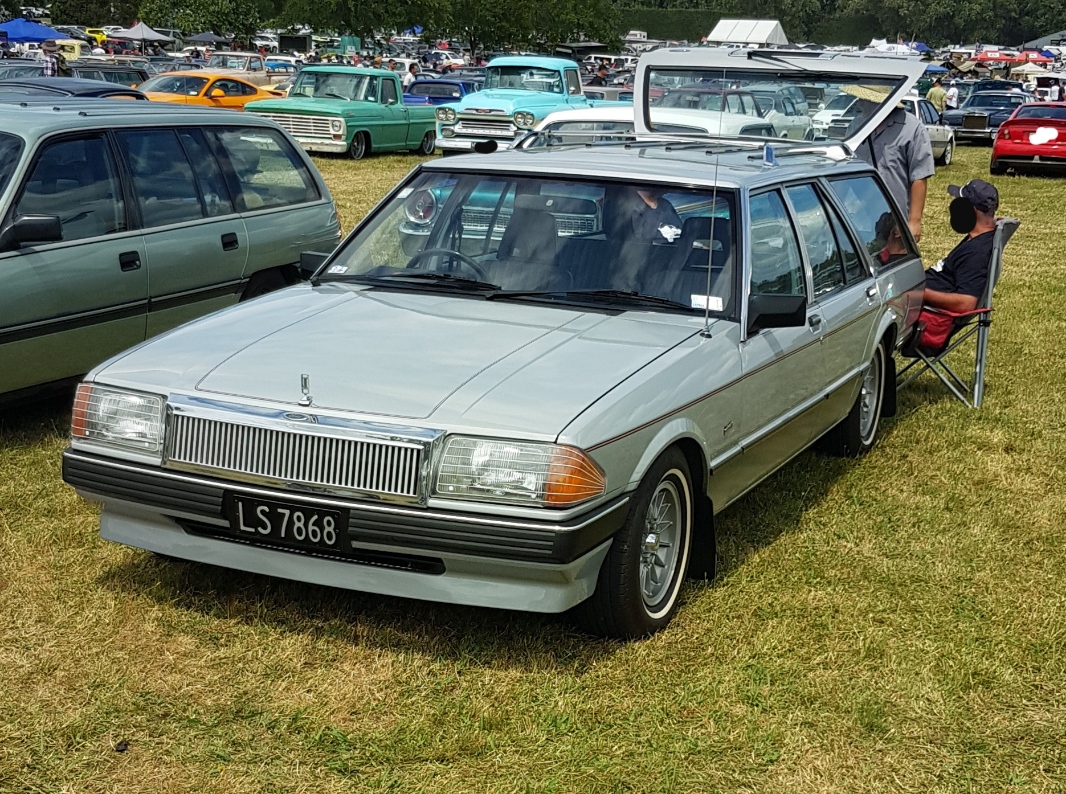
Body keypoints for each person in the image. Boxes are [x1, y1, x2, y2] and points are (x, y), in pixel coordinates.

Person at [846, 86, 935, 242]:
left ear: (880, 103)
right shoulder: (856, 126)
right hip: (859, 217)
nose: (859, 104)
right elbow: (845, 167)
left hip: (895, 219)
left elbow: (919, 176)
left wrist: (914, 221)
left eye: (865, 100)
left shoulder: (912, 128)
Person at [924, 180, 999, 312]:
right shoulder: (979, 236)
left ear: (972, 210)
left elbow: (966, 303)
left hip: (920, 307)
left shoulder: (977, 253)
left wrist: (920, 294)